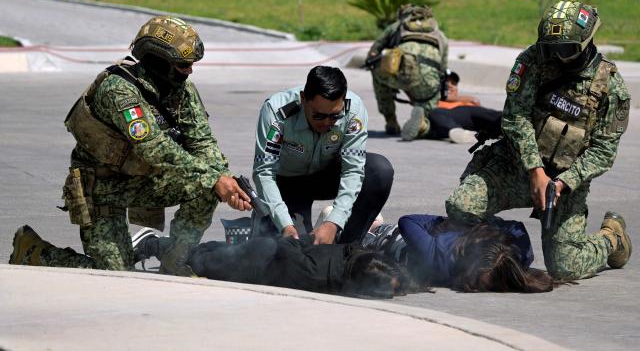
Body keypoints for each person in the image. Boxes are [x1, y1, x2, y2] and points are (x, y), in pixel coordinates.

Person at [9, 16, 250, 276]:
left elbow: (202, 141)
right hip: (101, 188)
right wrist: (214, 178)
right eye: (183, 65)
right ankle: (34, 251)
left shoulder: (182, 90)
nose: (190, 71)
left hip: (144, 180)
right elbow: (153, 147)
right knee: (115, 275)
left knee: (209, 186)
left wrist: (227, 184)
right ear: (159, 60)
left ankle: (175, 262)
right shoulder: (119, 90)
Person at [445, 0, 632, 280]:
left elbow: (603, 152)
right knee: (461, 206)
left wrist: (563, 182)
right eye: (550, 48)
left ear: (586, 42)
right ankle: (502, 249)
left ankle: (611, 240)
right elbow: (515, 116)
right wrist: (535, 170)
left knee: (565, 267)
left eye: (566, 50)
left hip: (565, 183)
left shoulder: (611, 89)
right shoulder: (533, 60)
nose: (557, 56)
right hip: (517, 165)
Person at [253, 66, 393, 245]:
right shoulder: (276, 110)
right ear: (304, 99)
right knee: (296, 249)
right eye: (318, 116)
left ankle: (346, 247)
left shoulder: (354, 110)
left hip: (328, 175)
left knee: (379, 170)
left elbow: (353, 170)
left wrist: (334, 221)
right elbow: (264, 172)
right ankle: (270, 221)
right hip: (288, 183)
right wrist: (284, 224)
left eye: (334, 116)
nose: (327, 123)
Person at [131, 229, 417, 299]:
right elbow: (285, 251)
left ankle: (166, 245)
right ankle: (151, 244)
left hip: (272, 255)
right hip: (258, 262)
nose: (385, 295)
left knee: (207, 251)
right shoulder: (318, 276)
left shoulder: (356, 254)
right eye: (382, 289)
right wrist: (295, 239)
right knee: (200, 259)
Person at [364, 214, 553, 292]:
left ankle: (374, 225)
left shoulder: (518, 255)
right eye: (478, 278)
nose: (477, 287)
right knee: (374, 237)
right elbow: (406, 222)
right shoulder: (440, 256)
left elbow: (516, 228)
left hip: (406, 254)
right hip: (396, 242)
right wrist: (452, 223)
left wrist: (443, 225)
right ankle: (374, 227)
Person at [365, 4, 448, 140]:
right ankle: (423, 122)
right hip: (429, 79)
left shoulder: (397, 26)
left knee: (378, 73)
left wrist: (371, 62)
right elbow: (443, 69)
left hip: (402, 72)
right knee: (430, 95)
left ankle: (390, 120)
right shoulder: (440, 35)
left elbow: (374, 51)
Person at [426, 71, 502, 144]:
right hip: (452, 121)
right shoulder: (435, 102)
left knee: (490, 115)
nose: (449, 86)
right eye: (445, 84)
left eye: (453, 83)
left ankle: (509, 123)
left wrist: (470, 100)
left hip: (477, 123)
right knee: (435, 113)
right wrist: (469, 98)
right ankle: (460, 134)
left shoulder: (468, 103)